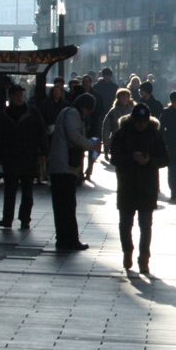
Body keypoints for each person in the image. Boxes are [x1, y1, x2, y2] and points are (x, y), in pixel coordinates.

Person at [110, 102, 169, 273]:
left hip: (147, 185)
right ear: (132, 119)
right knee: (125, 224)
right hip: (126, 185)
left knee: (145, 224)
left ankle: (144, 257)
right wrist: (131, 157)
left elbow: (165, 159)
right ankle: (127, 251)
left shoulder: (155, 134)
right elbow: (114, 158)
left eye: (144, 121)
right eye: (138, 121)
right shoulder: (122, 133)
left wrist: (149, 160)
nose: (141, 125)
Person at [48, 94, 100, 251]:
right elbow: (74, 137)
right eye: (88, 110)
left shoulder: (69, 112)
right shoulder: (72, 113)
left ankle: (65, 238)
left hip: (62, 166)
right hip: (63, 166)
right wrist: (91, 145)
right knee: (67, 205)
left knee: (64, 205)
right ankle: (69, 239)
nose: (88, 113)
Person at [0, 84, 48, 229]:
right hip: (10, 157)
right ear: (11, 96)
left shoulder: (33, 113)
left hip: (28, 157)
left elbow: (41, 132)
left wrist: (43, 152)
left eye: (21, 95)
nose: (19, 97)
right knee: (9, 190)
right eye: (16, 95)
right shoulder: (4, 114)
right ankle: (7, 219)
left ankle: (25, 219)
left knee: (27, 191)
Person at [79, 73, 103, 182]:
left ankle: (89, 170)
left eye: (87, 81)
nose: (85, 84)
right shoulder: (79, 94)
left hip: (93, 125)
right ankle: (80, 171)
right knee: (80, 149)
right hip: (81, 124)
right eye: (83, 82)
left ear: (90, 82)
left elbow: (100, 109)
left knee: (92, 149)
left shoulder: (96, 95)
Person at [102, 88, 135, 162]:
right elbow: (106, 126)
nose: (124, 99)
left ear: (129, 98)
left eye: (126, 97)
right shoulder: (113, 111)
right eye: (121, 97)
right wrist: (106, 140)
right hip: (116, 140)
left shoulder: (134, 110)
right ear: (118, 99)